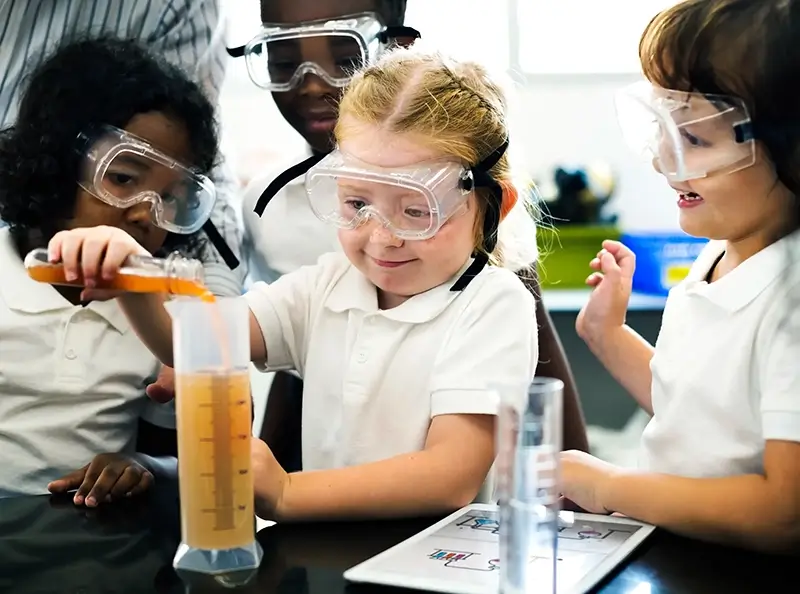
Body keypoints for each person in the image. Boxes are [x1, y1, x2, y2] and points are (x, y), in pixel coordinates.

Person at [46, 45, 542, 521]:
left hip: (435, 562)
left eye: (416, 211)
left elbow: (449, 476)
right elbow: (194, 343)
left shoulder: (492, 305)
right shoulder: (327, 285)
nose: (382, 236)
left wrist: (287, 493)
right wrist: (134, 280)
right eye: (356, 204)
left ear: (494, 207)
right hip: (329, 558)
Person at [231, 0, 588, 466]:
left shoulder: (488, 278)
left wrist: (576, 488)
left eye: (417, 210)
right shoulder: (274, 216)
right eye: (283, 64)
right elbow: (295, 352)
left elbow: (537, 364)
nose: (313, 83)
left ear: (392, 46)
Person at [560, 0, 800, 553]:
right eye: (664, 130)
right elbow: (701, 417)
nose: (661, 160)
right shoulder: (719, 254)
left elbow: (784, 512)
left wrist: (608, 486)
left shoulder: (790, 299)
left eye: (694, 139)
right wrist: (607, 334)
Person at [0, 37, 222, 503]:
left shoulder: (163, 317)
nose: (145, 213)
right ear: (57, 163)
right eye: (123, 178)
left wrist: (142, 466)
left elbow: (194, 457)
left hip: (96, 537)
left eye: (170, 198)